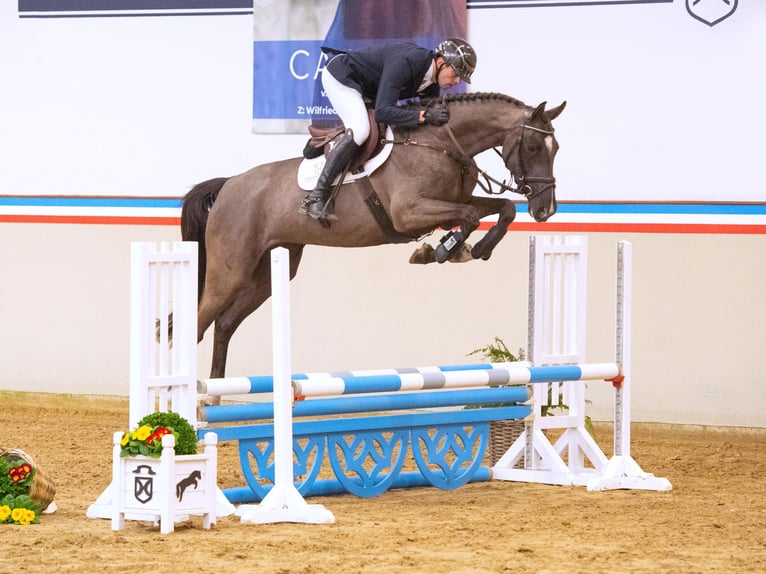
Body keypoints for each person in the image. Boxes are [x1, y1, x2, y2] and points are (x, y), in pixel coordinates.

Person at [299, 38, 477, 220]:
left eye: (460, 79)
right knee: (361, 130)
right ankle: (316, 196)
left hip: (368, 89)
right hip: (342, 77)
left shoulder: (432, 83)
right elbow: (383, 112)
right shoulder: (407, 62)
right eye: (456, 74)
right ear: (440, 62)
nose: (456, 81)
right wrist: (423, 116)